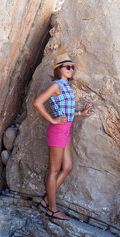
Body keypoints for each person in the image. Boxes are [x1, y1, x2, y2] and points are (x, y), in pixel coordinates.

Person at [33, 51, 92, 220]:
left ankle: (46, 200)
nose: (71, 69)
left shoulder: (67, 86)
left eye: (72, 67)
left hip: (66, 130)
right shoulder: (56, 85)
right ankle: (52, 208)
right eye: (67, 67)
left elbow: (65, 112)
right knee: (54, 170)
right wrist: (52, 119)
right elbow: (37, 103)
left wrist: (80, 113)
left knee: (67, 167)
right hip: (57, 131)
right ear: (59, 69)